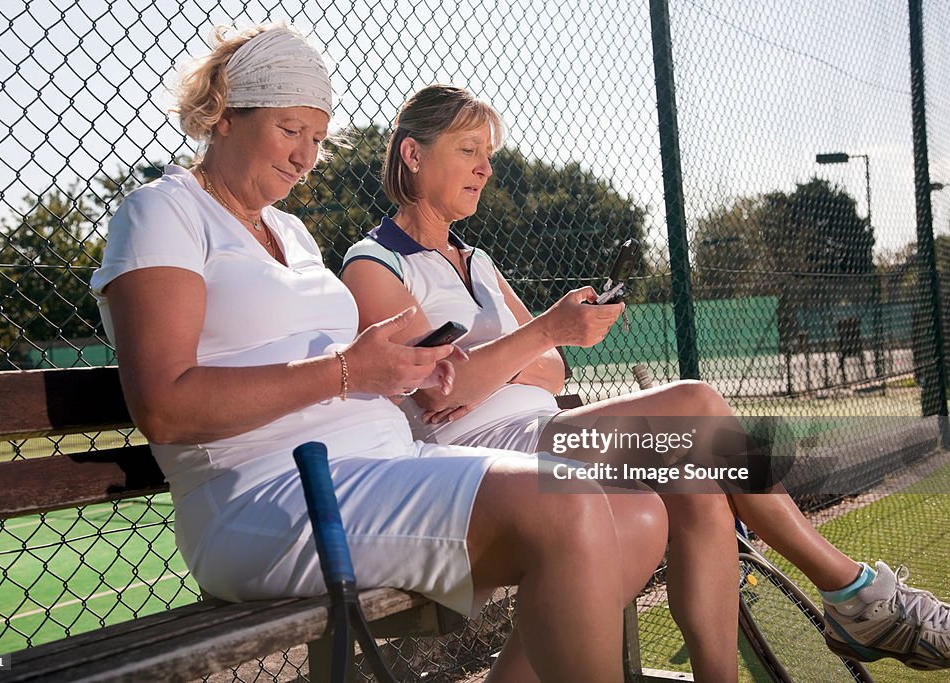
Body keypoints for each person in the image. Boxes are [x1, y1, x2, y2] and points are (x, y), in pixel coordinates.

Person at [91, 26, 668, 682]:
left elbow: (337, 365)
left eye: (317, 137)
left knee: (639, 514)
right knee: (570, 506)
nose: (306, 157)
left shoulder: (291, 231)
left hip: (381, 462)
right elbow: (164, 407)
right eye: (289, 131)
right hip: (268, 494)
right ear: (225, 116)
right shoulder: (163, 212)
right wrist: (345, 371)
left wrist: (402, 367)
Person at [341, 83, 950, 680]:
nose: (485, 169)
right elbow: (441, 389)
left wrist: (505, 359)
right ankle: (855, 594)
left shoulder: (479, 262)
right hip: (478, 466)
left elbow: (554, 370)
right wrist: (539, 337)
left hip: (541, 432)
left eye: (489, 154)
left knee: (697, 484)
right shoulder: (375, 264)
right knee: (697, 404)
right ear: (413, 154)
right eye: (468, 150)